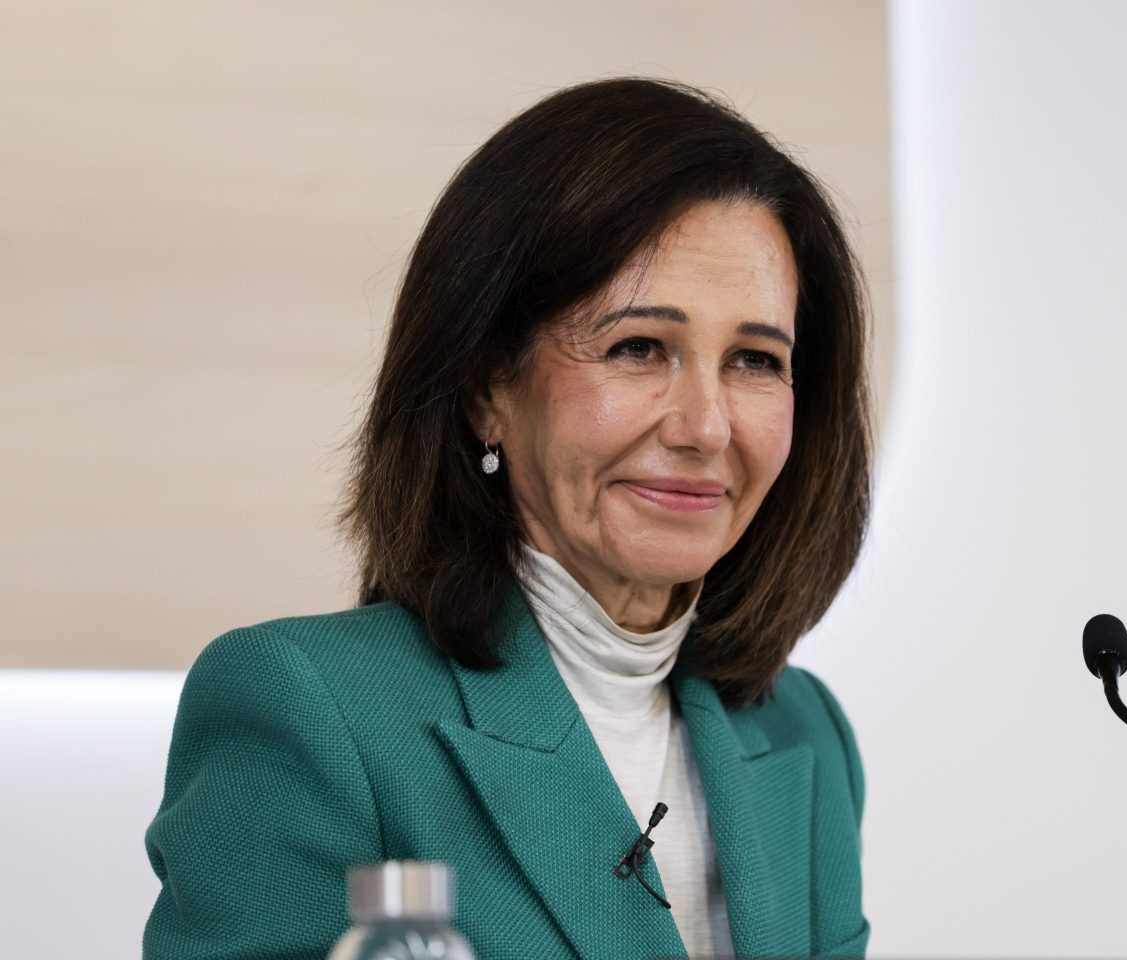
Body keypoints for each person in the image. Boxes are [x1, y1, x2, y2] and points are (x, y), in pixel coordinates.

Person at [142, 76, 873, 960]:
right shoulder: (306, 710)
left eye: (755, 361)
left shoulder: (804, 733)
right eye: (638, 347)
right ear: (489, 384)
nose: (707, 427)